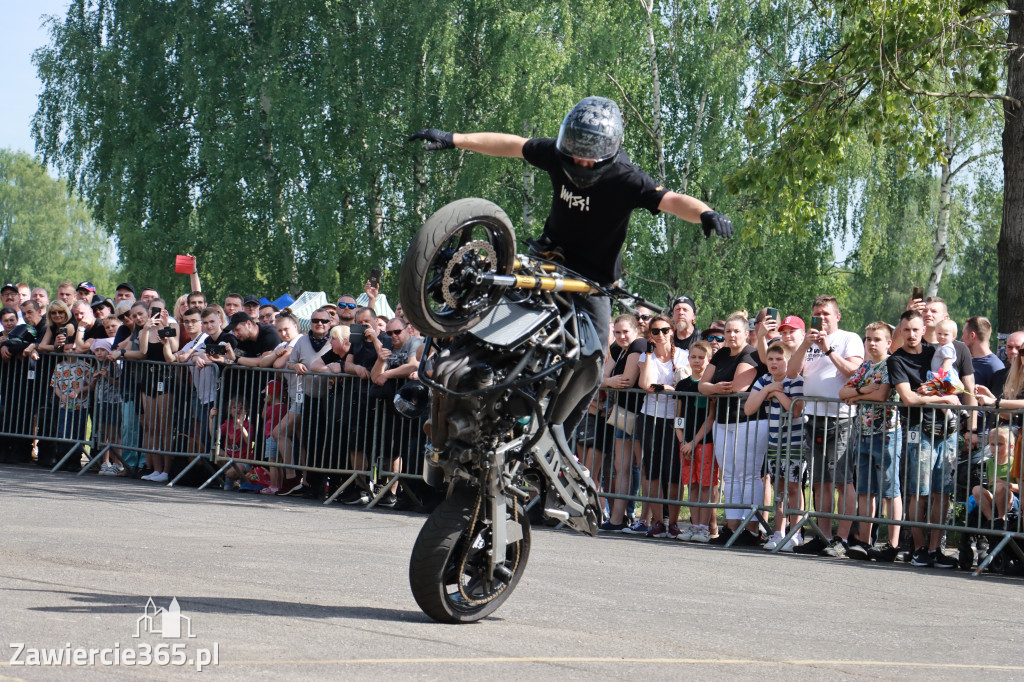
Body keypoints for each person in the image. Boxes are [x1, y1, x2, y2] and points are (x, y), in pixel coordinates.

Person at [410, 96, 732, 436]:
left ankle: (558, 434)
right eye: (575, 149)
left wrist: (705, 213)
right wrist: (453, 138)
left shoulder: (626, 178)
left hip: (593, 281)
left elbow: (670, 200)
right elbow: (512, 144)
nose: (579, 159)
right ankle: (454, 383)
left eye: (587, 155)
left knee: (592, 357)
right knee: (485, 305)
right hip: (546, 260)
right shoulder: (558, 155)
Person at [787, 295, 864, 557]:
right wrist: (805, 345)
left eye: (826, 313)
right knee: (820, 482)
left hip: (841, 417)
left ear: (837, 316)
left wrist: (828, 348)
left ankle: (842, 538)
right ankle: (823, 536)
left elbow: (854, 371)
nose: (821, 317)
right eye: (817, 313)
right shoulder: (808, 341)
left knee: (843, 481)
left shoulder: (849, 338)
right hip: (813, 417)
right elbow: (791, 372)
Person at [887, 310, 961, 568]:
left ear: (923, 330)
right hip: (919, 431)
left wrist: (934, 392)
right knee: (919, 492)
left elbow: (953, 385)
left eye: (915, 330)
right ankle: (918, 549)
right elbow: (909, 398)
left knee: (942, 493)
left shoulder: (935, 351)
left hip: (948, 430)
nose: (911, 335)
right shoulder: (896, 360)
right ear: (901, 331)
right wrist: (940, 397)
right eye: (906, 330)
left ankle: (934, 549)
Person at [698, 312, 765, 544]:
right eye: (727, 331)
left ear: (747, 334)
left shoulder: (751, 353)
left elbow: (738, 386)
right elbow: (702, 386)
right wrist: (715, 387)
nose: (731, 335)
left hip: (750, 421)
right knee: (729, 476)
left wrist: (712, 387)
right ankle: (732, 526)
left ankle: (752, 529)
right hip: (724, 421)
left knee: (749, 476)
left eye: (736, 331)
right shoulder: (722, 354)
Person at [838, 321, 902, 562]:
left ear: (887, 342)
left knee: (889, 489)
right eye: (868, 339)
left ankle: (892, 544)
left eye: (877, 339)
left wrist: (860, 394)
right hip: (863, 433)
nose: (871, 343)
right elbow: (843, 392)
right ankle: (864, 542)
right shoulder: (865, 367)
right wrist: (864, 391)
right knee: (865, 490)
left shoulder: (891, 364)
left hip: (886, 433)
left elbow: (882, 394)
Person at [746, 344, 806, 552]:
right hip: (774, 442)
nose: (773, 363)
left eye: (779, 359)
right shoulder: (764, 381)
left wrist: (778, 394)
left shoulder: (796, 380)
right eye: (770, 359)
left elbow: (796, 410)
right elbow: (748, 408)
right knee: (778, 487)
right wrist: (767, 390)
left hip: (795, 442)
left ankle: (795, 532)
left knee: (793, 487)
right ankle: (778, 532)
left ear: (788, 361)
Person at [636, 314, 690, 538]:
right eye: (655, 331)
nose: (660, 335)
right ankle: (658, 521)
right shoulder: (644, 356)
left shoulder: (684, 356)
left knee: (674, 473)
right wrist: (649, 353)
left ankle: (674, 522)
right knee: (653, 471)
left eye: (665, 330)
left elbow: (683, 385)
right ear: (650, 334)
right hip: (650, 416)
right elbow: (645, 384)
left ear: (672, 331)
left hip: (675, 418)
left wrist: (667, 389)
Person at [598, 314, 646, 532]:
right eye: (617, 332)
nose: (621, 336)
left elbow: (626, 381)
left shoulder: (639, 344)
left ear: (635, 331)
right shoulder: (618, 349)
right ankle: (617, 519)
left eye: (625, 331)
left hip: (641, 413)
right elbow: (602, 377)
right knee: (621, 466)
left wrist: (607, 382)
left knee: (644, 468)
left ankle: (646, 520)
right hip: (622, 412)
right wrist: (608, 382)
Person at [674, 340, 718, 542]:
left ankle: (703, 527)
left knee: (706, 485)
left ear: (708, 360)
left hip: (705, 442)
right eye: (694, 357)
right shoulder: (682, 385)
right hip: (687, 444)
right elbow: (678, 417)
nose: (697, 361)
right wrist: (683, 440)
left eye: (702, 357)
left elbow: (710, 418)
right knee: (691, 484)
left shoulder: (709, 386)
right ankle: (694, 525)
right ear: (688, 358)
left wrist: (694, 441)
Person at [970, 427, 1018, 528]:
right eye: (992, 444)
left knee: (999, 487)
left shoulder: (1015, 463)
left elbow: (1021, 488)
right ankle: (992, 521)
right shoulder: (989, 463)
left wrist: (1006, 484)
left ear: (1011, 447)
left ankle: (1002, 519)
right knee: (976, 489)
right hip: (995, 498)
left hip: (1012, 500)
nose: (995, 448)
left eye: (1000, 444)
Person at [962, 316, 1004, 391]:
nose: (962, 338)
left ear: (972, 335)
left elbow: (996, 400)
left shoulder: (995, 367)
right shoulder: (966, 360)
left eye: (963, 334)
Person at [929, 318, 961, 387]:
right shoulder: (943, 345)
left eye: (946, 334)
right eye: (939, 333)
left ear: (953, 336)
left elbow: (947, 362)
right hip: (940, 374)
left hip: (944, 375)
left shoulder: (946, 347)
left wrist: (940, 377)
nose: (942, 336)